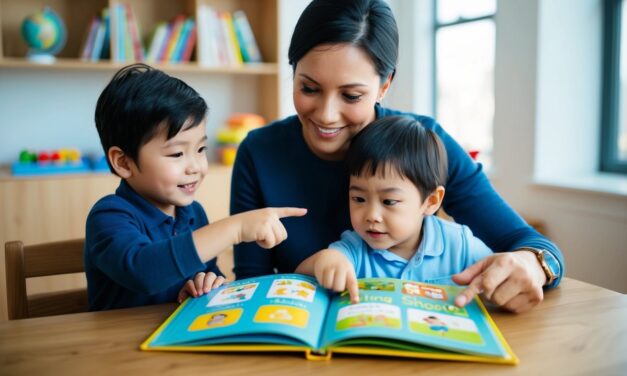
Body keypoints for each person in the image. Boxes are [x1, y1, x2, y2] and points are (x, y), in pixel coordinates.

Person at [230, 0, 563, 313]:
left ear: (385, 85)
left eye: (351, 95)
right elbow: (251, 282)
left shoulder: (423, 144)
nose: (327, 114)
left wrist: (533, 264)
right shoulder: (258, 152)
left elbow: (532, 244)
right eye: (309, 88)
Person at [86, 64, 306, 311]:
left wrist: (208, 281)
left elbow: (208, 273)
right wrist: (235, 227)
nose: (195, 167)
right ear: (123, 162)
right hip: (114, 344)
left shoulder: (193, 214)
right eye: (177, 153)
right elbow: (144, 271)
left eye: (201, 149)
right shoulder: (109, 216)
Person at [295, 116, 493, 304]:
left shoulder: (459, 244)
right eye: (359, 199)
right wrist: (325, 260)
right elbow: (300, 274)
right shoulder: (354, 248)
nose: (371, 215)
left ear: (431, 201)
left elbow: (496, 274)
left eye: (389, 201)